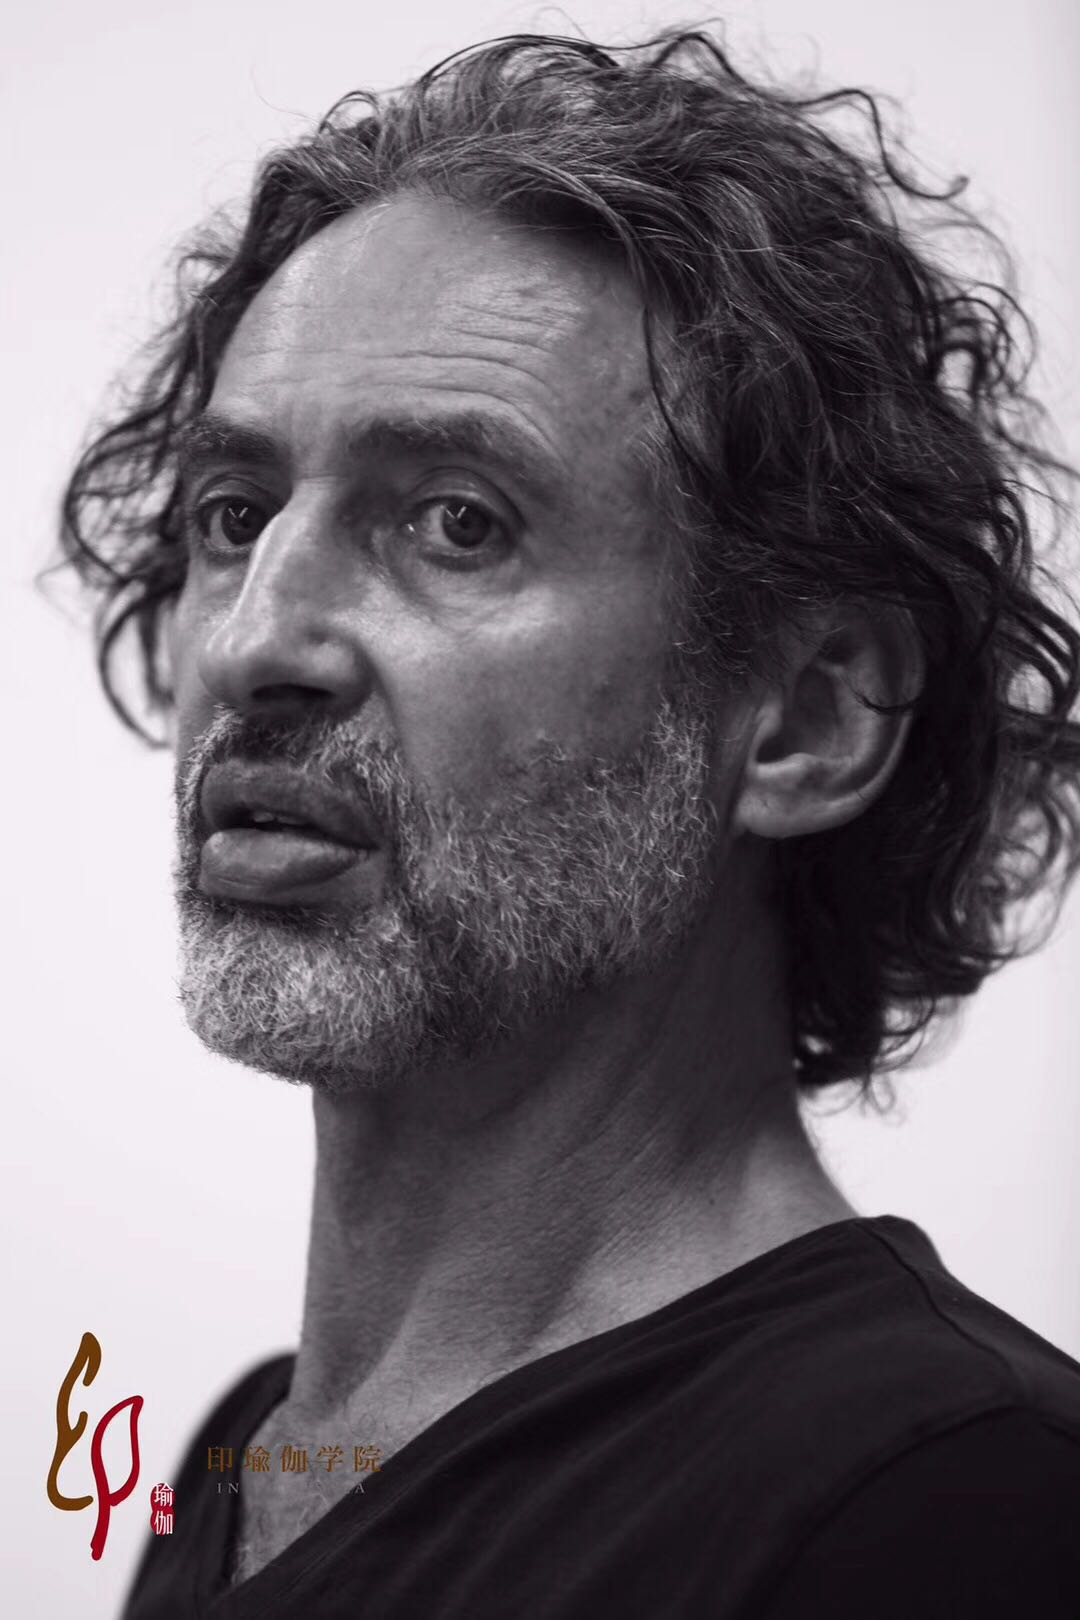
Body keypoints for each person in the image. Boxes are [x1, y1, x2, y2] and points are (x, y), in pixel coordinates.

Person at [56, 29, 1080, 1619]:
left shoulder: (955, 1502)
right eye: (233, 516)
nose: (257, 641)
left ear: (809, 719)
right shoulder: (245, 1462)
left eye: (457, 523)